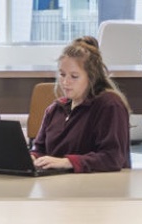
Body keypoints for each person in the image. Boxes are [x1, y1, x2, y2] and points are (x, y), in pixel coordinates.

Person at [31, 36, 132, 172]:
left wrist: (67, 162)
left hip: (98, 187)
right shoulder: (55, 109)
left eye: (74, 76)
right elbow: (40, 149)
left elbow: (112, 158)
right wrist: (32, 157)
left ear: (91, 77)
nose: (66, 82)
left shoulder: (110, 105)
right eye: (62, 74)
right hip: (58, 186)